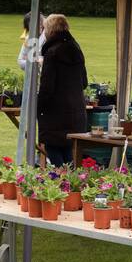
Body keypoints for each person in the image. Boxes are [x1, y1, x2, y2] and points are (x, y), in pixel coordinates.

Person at [36, 14, 88, 165]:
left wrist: (38, 107)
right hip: (76, 110)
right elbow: (84, 82)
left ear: (50, 30)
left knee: (53, 147)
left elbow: (47, 87)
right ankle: (71, 182)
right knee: (68, 149)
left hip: (55, 113)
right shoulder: (76, 49)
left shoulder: (52, 53)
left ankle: (62, 181)